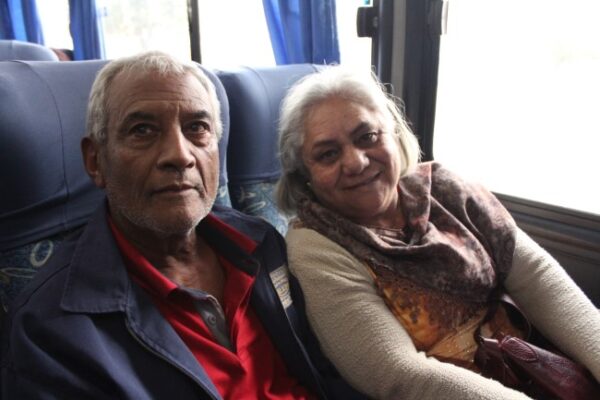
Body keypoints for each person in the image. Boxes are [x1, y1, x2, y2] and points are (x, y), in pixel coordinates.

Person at [0, 52, 361, 400]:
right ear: (96, 162)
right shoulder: (51, 330)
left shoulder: (262, 244)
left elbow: (321, 369)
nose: (180, 155)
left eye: (197, 128)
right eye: (142, 130)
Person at [275, 66, 600, 400]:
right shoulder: (315, 246)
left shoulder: (444, 189)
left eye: (367, 137)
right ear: (305, 176)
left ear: (393, 135)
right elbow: (399, 374)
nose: (356, 162)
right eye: (328, 154)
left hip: (534, 368)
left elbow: (536, 278)